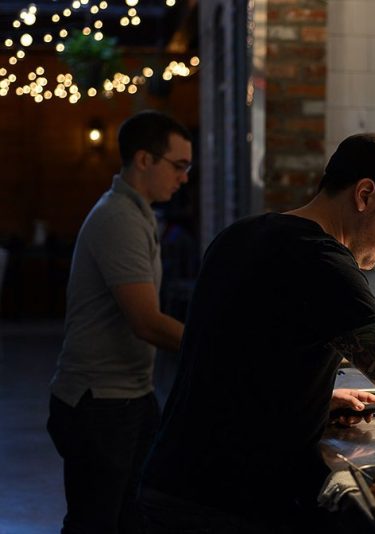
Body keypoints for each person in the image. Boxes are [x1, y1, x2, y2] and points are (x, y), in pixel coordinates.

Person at [138, 132, 375, 532]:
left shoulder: (241, 235)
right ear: (365, 195)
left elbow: (235, 363)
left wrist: (312, 400)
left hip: (173, 482)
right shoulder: (321, 259)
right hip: (221, 505)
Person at [47, 110, 191, 534]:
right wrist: (213, 346)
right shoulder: (119, 218)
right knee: (96, 524)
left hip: (129, 395)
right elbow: (146, 323)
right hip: (99, 403)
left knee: (132, 519)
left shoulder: (138, 211)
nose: (184, 178)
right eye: (178, 166)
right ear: (144, 159)